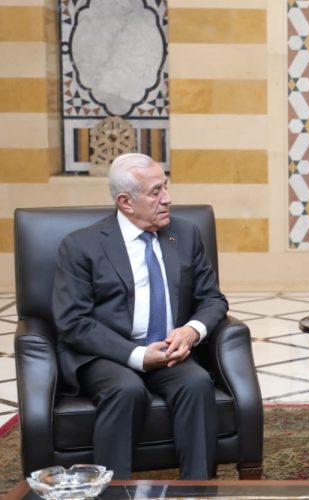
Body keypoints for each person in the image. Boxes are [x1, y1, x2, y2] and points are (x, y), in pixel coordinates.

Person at [52, 153, 228, 479]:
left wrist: (190, 331)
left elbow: (212, 299)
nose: (167, 198)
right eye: (155, 192)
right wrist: (137, 355)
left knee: (197, 382)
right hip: (108, 354)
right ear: (125, 202)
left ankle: (198, 490)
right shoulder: (81, 246)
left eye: (166, 187)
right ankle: (114, 491)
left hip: (168, 349)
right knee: (126, 389)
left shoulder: (185, 234)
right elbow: (73, 322)